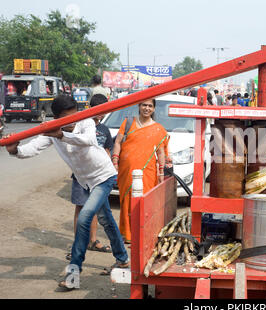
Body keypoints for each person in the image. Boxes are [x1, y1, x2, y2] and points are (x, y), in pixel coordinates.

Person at [3, 94, 128, 291]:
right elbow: (32, 148)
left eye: (74, 116)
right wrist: (14, 151)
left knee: (85, 218)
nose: (72, 121)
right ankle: (122, 259)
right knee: (106, 220)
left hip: (104, 176)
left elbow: (87, 140)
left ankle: (73, 274)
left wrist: (62, 134)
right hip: (86, 182)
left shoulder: (86, 121)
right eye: (66, 118)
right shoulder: (51, 131)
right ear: (57, 117)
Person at [111, 98, 169, 243]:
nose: (147, 108)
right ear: (139, 106)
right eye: (144, 105)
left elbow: (161, 152)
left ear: (154, 109)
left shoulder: (158, 129)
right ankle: (127, 234)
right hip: (127, 170)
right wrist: (115, 161)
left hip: (147, 172)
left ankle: (143, 233)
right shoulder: (128, 122)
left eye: (150, 106)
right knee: (127, 201)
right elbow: (118, 142)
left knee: (145, 202)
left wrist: (161, 173)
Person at [66, 94, 115, 260]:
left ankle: (92, 241)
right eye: (97, 110)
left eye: (104, 111)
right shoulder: (78, 126)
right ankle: (77, 244)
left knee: (95, 210)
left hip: (99, 177)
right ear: (90, 108)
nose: (100, 114)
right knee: (81, 208)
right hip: (81, 176)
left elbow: (108, 151)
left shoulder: (104, 130)